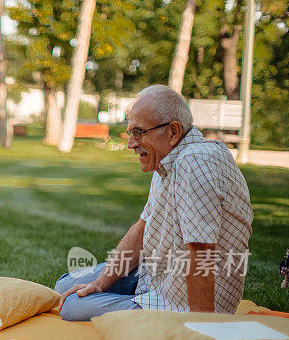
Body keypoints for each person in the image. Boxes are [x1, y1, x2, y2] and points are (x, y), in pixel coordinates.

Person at [55, 85, 253, 321]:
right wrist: (100, 283)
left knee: (71, 307)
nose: (130, 144)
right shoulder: (168, 161)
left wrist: (203, 327)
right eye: (130, 133)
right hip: (158, 273)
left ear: (173, 132)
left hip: (184, 304)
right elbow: (141, 229)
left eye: (138, 132)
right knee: (64, 287)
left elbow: (200, 252)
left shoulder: (195, 162)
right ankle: (123, 291)